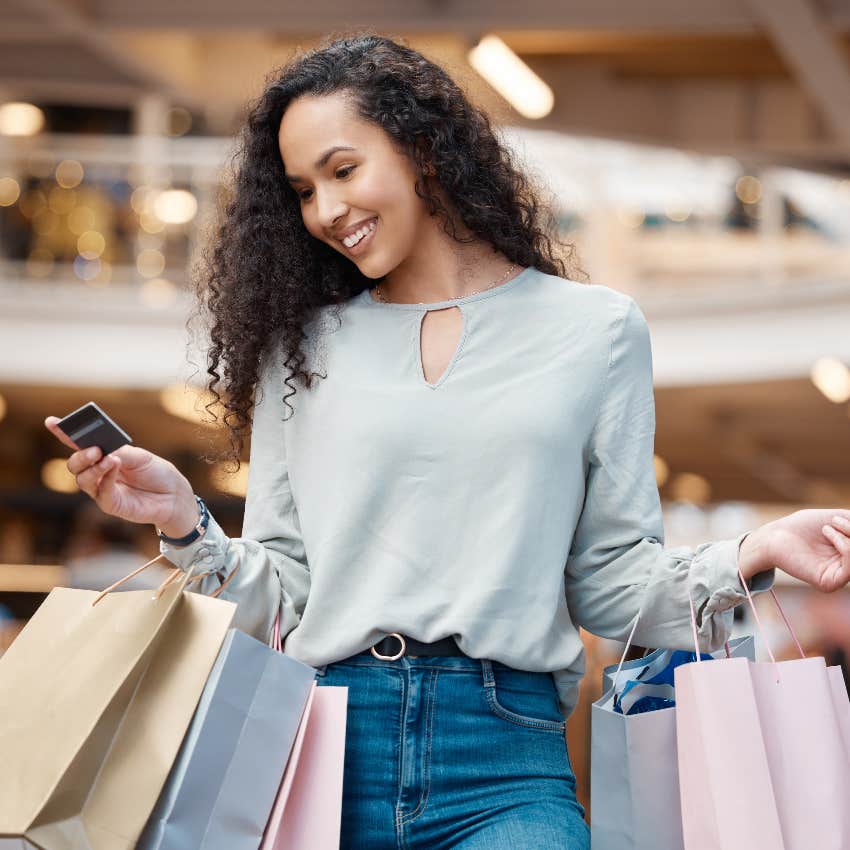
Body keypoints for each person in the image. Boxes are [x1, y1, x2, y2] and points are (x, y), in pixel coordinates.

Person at [45, 33, 850, 850]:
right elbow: (287, 590)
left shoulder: (596, 332)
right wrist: (185, 524)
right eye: (302, 189)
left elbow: (612, 583)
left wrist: (754, 549)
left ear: (423, 149)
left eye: (343, 169)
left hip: (508, 763)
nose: (325, 210)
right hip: (321, 754)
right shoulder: (302, 349)